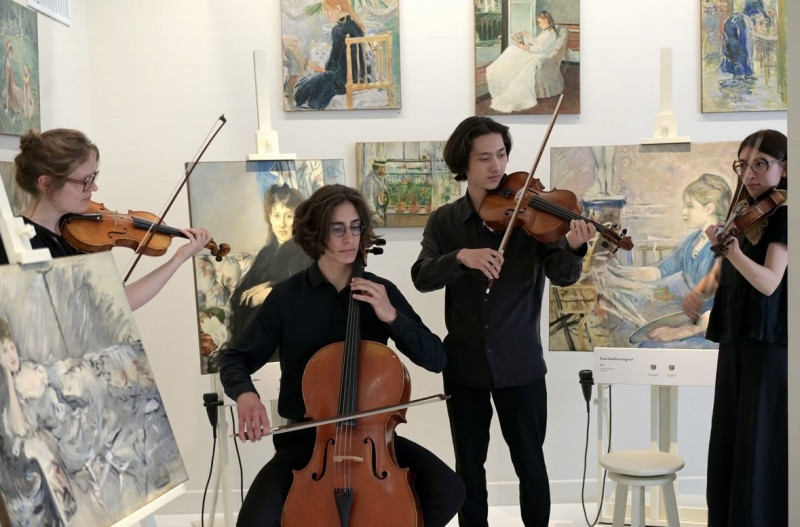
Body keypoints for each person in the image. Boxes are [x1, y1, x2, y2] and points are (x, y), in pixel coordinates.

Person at [220, 184, 465, 526]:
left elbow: (436, 358)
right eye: (338, 229)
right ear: (315, 234)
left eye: (356, 227)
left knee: (448, 489)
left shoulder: (380, 292)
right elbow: (235, 358)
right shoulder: (287, 298)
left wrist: (391, 317)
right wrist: (246, 395)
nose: (350, 238)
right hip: (306, 442)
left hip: (372, 440)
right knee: (253, 521)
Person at [410, 116, 595, 527]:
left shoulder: (533, 218)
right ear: (464, 163)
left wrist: (573, 247)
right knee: (469, 467)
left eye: (501, 155)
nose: (496, 166)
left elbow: (562, 275)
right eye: (484, 158)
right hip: (464, 366)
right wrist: (460, 257)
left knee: (530, 464)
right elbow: (421, 277)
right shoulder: (445, 222)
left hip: (521, 364)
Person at [681, 129, 787, 527]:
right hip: (736, 337)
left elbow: (769, 282)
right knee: (730, 434)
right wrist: (701, 290)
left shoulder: (785, 214)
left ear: (784, 168)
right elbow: (725, 267)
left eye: (761, 164)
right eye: (744, 165)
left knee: (757, 441)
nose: (750, 173)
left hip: (768, 342)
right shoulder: (744, 209)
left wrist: (734, 252)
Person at [0, 128, 211, 310]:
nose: (94, 187)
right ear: (46, 183)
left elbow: (114, 305)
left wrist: (178, 259)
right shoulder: (15, 245)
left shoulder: (79, 236)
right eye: (85, 181)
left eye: (93, 177)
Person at [604, 173, 732, 343]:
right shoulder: (692, 241)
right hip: (696, 315)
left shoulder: (725, 242)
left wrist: (684, 331)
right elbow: (660, 270)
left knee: (652, 343)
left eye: (690, 206)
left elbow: (727, 299)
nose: (684, 212)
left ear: (709, 208)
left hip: (715, 322)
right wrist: (620, 272)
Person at [227, 183, 311, 343]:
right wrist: (260, 292)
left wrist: (270, 292)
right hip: (253, 332)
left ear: (298, 219)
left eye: (289, 216)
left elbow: (303, 297)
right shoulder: (265, 253)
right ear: (270, 217)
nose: (282, 224)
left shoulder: (305, 253)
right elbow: (239, 296)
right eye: (277, 216)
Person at [293, 0, 365, 110]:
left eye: (328, 10)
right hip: (358, 77)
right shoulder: (356, 26)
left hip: (342, 80)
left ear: (338, 8)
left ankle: (308, 105)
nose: (326, 14)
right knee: (312, 83)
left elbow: (334, 61)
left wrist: (321, 68)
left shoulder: (338, 30)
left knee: (303, 90)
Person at [485, 11, 559, 113]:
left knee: (512, 50)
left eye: (540, 22)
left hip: (538, 55)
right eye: (539, 22)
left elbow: (539, 48)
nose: (539, 24)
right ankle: (501, 72)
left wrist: (524, 47)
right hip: (535, 52)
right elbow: (537, 43)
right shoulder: (546, 32)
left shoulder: (551, 34)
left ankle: (500, 71)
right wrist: (528, 35)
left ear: (547, 20)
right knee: (512, 49)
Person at [360, 158, 389, 226]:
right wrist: (376, 217)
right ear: (379, 168)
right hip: (372, 218)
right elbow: (368, 200)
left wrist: (384, 188)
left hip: (378, 215)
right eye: (384, 168)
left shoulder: (377, 178)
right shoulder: (369, 181)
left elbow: (377, 189)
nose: (385, 170)